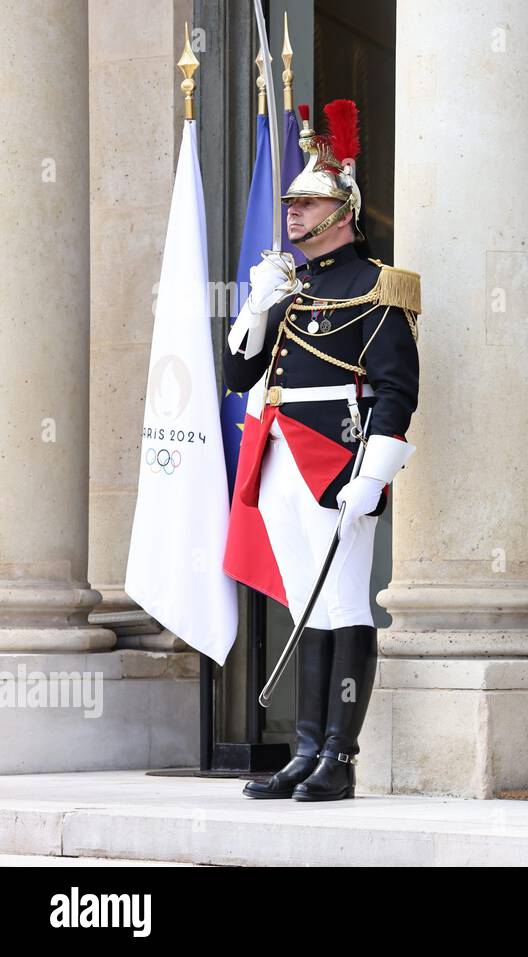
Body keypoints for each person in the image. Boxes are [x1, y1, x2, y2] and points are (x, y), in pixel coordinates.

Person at [225, 100, 421, 802]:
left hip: (337, 461)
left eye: (307, 202)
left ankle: (340, 755)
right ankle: (306, 748)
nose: (293, 212)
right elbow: (239, 375)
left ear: (343, 210)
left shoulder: (378, 285)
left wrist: (373, 473)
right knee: (307, 602)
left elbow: (397, 390)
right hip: (276, 456)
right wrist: (255, 305)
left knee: (344, 602)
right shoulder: (291, 283)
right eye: (292, 201)